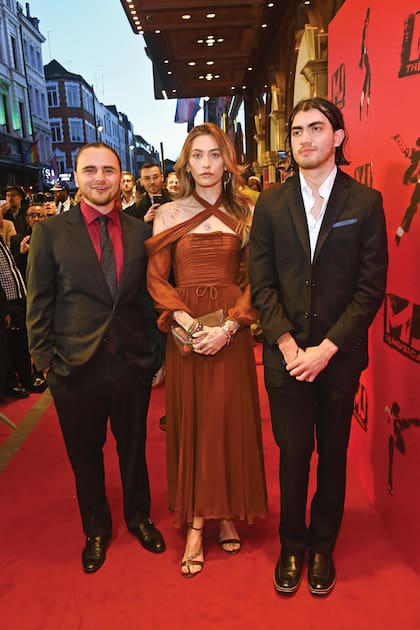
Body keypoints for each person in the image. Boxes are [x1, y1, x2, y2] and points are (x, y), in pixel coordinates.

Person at [249, 97, 388, 596]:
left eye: (316, 128)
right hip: (285, 357)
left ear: (339, 136)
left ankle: (323, 545)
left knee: (332, 454)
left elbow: (370, 289)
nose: (304, 138)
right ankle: (292, 544)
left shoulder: (365, 203)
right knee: (292, 454)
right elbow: (260, 283)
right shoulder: (269, 202)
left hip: (338, 357)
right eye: (296, 131)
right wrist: (286, 344)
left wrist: (326, 349)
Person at [26, 142, 166, 574]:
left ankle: (139, 517)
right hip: (73, 367)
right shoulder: (51, 232)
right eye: (91, 170)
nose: (100, 178)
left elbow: (148, 301)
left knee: (133, 449)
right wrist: (45, 361)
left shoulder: (141, 232)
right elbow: (39, 301)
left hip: (130, 363)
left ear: (120, 175)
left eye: (108, 170)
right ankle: (96, 529)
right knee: (85, 454)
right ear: (77, 175)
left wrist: (155, 355)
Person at [146, 122, 268, 578]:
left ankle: (226, 512)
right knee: (195, 422)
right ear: (186, 162)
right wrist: (184, 321)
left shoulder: (248, 212)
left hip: (230, 330)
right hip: (187, 332)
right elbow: (157, 279)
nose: (206, 164)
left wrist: (230, 326)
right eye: (197, 155)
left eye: (214, 154)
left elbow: (259, 279)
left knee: (228, 420)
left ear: (227, 160)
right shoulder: (168, 214)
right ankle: (197, 523)